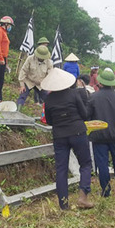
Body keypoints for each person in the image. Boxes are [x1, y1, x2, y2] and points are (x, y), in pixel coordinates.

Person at [42, 68, 94, 210]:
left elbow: (49, 120)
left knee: (61, 169)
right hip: (77, 132)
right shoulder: (74, 94)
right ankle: (83, 197)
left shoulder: (49, 100)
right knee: (85, 164)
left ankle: (63, 204)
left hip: (59, 136)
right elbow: (84, 114)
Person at [87, 69, 115, 198]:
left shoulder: (93, 97)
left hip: (98, 136)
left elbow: (87, 115)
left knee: (102, 164)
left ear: (100, 83)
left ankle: (106, 192)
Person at [17, 45, 53, 110]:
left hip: (40, 83)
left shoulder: (49, 62)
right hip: (29, 81)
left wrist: (49, 87)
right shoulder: (30, 59)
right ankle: (18, 111)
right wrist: (22, 85)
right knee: (22, 95)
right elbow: (23, 71)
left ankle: (49, 114)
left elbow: (50, 75)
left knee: (48, 98)